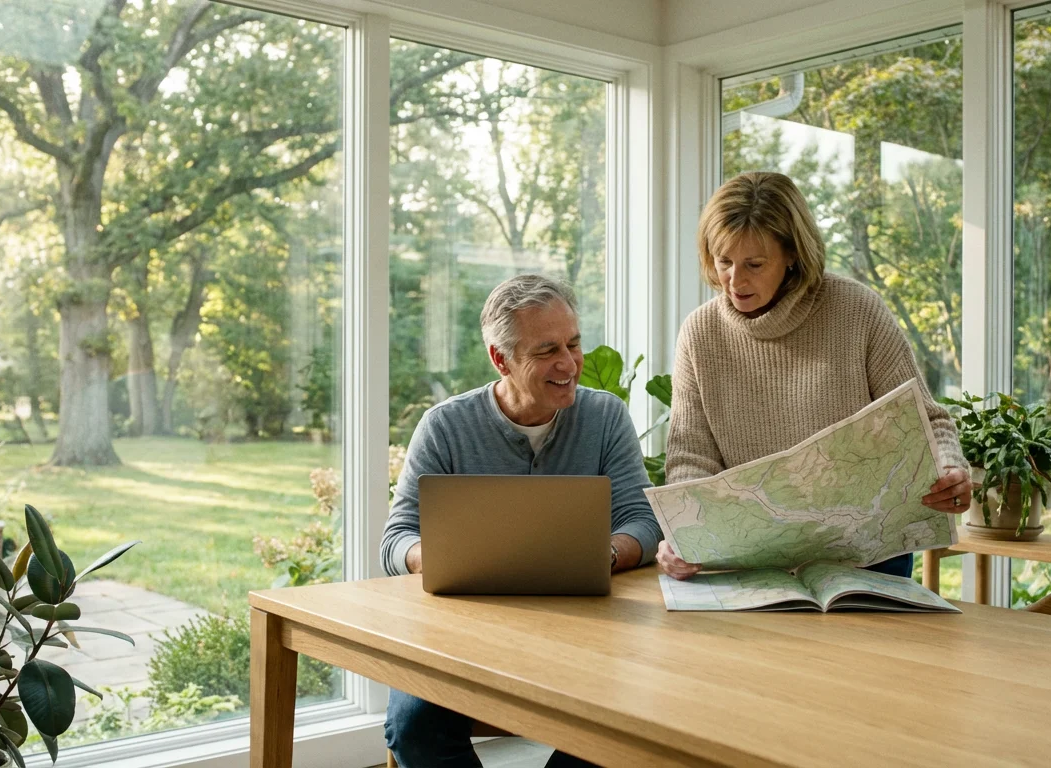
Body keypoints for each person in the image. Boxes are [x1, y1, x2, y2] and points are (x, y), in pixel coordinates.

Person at [381, 273, 662, 768]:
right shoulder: (445, 426)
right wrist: (445, 557)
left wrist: (606, 553)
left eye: (574, 344)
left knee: (626, 727)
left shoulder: (605, 418)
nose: (568, 364)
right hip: (464, 635)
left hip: (587, 634)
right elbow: (397, 538)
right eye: (547, 350)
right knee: (413, 727)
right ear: (500, 358)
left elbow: (642, 520)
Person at [658, 171, 971, 581]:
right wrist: (684, 533)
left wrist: (949, 470)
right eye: (724, 261)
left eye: (754, 264)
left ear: (792, 253)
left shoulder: (856, 310)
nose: (735, 280)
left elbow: (926, 422)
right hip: (750, 561)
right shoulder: (700, 333)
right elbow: (691, 458)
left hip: (868, 556)